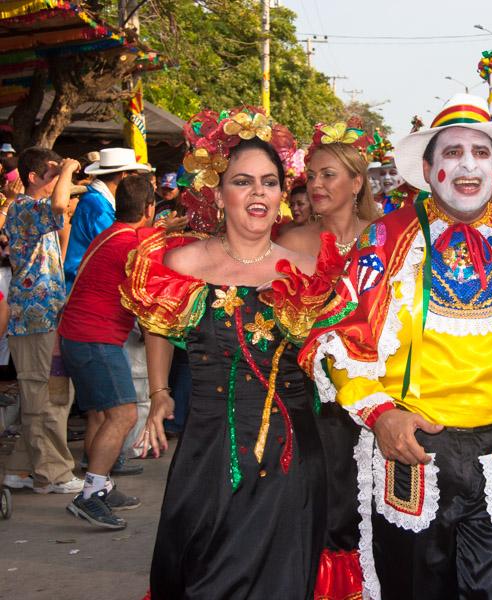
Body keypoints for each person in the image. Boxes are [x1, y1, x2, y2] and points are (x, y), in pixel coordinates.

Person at [289, 94, 492, 599]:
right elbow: (333, 341)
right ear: (427, 168)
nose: (468, 164)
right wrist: (381, 415)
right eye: (452, 152)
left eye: (481, 152)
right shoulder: (385, 239)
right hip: (415, 451)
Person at [122, 107, 328, 598]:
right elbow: (157, 323)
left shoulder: (306, 270)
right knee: (201, 573)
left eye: (269, 182)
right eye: (243, 181)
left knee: (280, 580)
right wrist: (159, 391)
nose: (258, 192)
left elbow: (338, 354)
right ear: (218, 193)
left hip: (290, 454)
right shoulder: (183, 261)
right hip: (208, 449)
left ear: (282, 194)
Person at [279, 121, 382, 600]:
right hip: (321, 404)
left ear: (357, 182)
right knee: (332, 507)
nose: (316, 186)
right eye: (312, 177)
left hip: (387, 395)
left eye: (328, 176)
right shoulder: (294, 242)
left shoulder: (388, 239)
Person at [59, 175, 156, 529]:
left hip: (78, 336)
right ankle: (89, 496)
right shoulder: (131, 245)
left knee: (101, 414)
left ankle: (101, 484)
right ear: (149, 208)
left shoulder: (112, 232)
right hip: (94, 339)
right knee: (124, 415)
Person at [0, 148, 83, 494]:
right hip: (33, 319)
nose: (57, 179)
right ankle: (53, 474)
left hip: (45, 315)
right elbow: (60, 207)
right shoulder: (23, 207)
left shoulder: (35, 211)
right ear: (33, 177)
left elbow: (63, 206)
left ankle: (19, 470)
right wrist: (66, 169)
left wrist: (67, 174)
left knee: (48, 393)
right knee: (41, 398)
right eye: (49, 173)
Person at [64, 147, 151, 294]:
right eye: (134, 176)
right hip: (85, 288)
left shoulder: (99, 201)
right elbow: (118, 244)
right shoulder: (97, 206)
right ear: (124, 176)